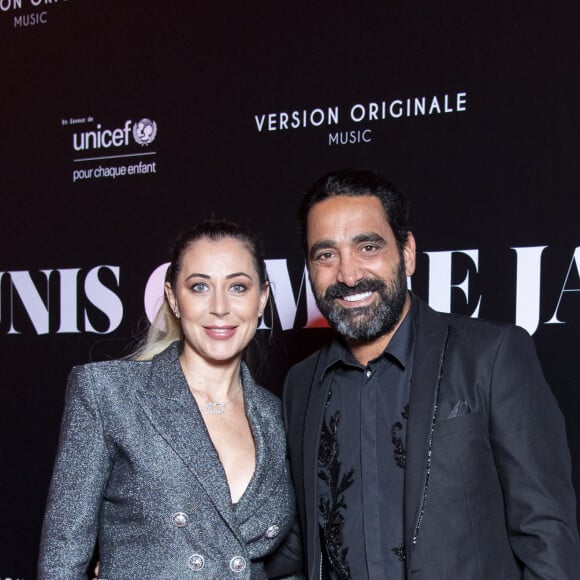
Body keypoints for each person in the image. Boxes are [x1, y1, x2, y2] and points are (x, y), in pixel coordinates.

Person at [280, 170, 580, 579]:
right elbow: (298, 545)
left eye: (367, 247)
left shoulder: (491, 356)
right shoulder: (301, 385)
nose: (348, 275)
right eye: (326, 255)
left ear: (407, 252)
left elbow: (548, 537)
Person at [38, 220, 297, 579]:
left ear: (262, 299)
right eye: (200, 287)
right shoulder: (108, 393)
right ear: (174, 299)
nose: (220, 307)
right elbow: (61, 562)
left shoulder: (278, 415)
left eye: (238, 287)